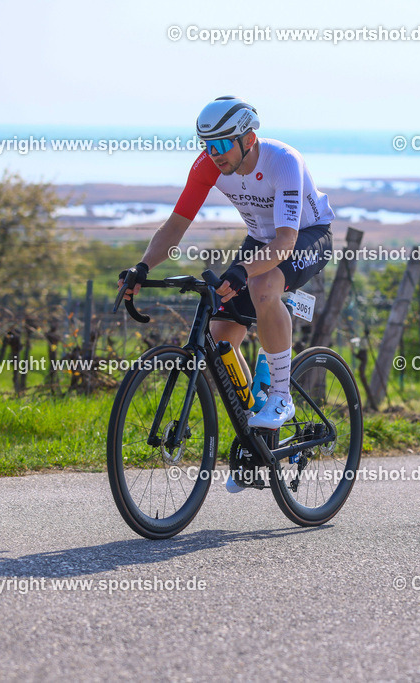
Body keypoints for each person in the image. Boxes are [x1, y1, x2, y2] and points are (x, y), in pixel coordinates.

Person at [118, 96, 335, 481]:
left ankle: (282, 399)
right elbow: (175, 227)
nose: (213, 154)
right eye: (206, 145)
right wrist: (142, 266)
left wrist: (241, 272)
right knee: (220, 340)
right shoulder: (208, 166)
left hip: (304, 236)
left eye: (221, 145)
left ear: (248, 139)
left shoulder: (282, 161)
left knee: (264, 284)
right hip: (260, 240)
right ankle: (259, 436)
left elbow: (284, 243)